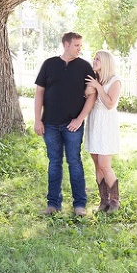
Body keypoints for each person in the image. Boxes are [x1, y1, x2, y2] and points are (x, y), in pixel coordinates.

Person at [34, 32, 96, 216]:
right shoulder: (49, 64)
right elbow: (39, 93)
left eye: (80, 45)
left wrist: (80, 119)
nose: (80, 48)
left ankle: (80, 205)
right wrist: (37, 120)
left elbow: (92, 95)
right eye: (76, 45)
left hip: (72, 125)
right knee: (54, 163)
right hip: (50, 124)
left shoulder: (84, 67)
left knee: (74, 162)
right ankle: (53, 204)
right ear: (66, 44)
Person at [84, 50, 123, 213]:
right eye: (94, 58)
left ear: (106, 62)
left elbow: (109, 104)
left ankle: (115, 201)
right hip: (94, 122)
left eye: (97, 59)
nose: (94, 61)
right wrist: (91, 87)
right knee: (97, 165)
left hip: (106, 125)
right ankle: (103, 201)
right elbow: (86, 96)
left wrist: (98, 86)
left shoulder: (115, 81)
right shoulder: (94, 78)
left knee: (104, 165)